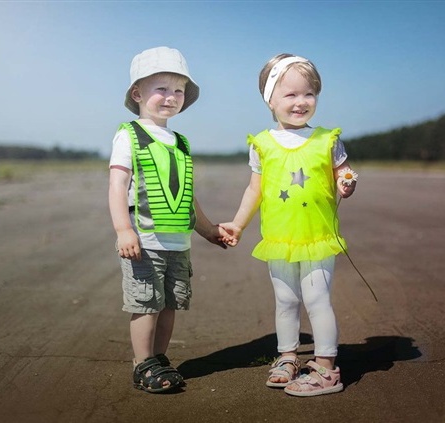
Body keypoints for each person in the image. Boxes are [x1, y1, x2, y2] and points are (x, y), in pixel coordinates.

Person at [220, 53, 358, 397]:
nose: (301, 102)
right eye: (291, 95)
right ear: (271, 99)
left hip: (317, 237)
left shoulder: (327, 139)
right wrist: (238, 223)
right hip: (280, 238)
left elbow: (344, 173)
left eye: (308, 94)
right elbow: (255, 189)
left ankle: (326, 368)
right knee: (285, 300)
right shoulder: (262, 144)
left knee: (317, 299)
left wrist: (347, 182)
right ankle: (287, 357)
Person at [108, 46, 228, 393]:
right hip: (144, 241)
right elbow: (118, 185)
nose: (171, 97)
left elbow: (187, 197)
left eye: (178, 90)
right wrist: (122, 229)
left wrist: (209, 232)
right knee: (146, 304)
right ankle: (142, 363)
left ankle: (159, 359)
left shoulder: (181, 142)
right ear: (138, 93)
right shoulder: (128, 135)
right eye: (161, 88)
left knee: (170, 304)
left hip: (178, 242)